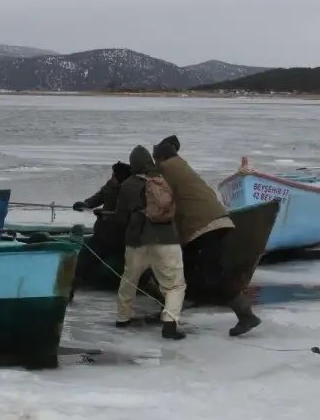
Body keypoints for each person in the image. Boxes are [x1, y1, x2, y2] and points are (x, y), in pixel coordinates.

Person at [153, 134, 261, 336]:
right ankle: (170, 312)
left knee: (212, 274)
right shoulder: (181, 165)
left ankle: (246, 315)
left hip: (203, 226)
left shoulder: (165, 169)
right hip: (218, 219)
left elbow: (160, 200)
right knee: (185, 267)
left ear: (159, 158)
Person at [112, 145, 187, 340]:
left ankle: (122, 318)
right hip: (166, 238)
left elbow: (120, 217)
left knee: (129, 279)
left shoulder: (127, 184)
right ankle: (170, 322)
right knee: (174, 285)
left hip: (136, 240)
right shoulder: (163, 180)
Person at [73, 160, 131, 252]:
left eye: (114, 175)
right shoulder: (110, 186)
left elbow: (123, 214)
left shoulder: (129, 191)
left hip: (119, 235)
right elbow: (99, 196)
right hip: (102, 230)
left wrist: (104, 213)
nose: (112, 177)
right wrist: (86, 204)